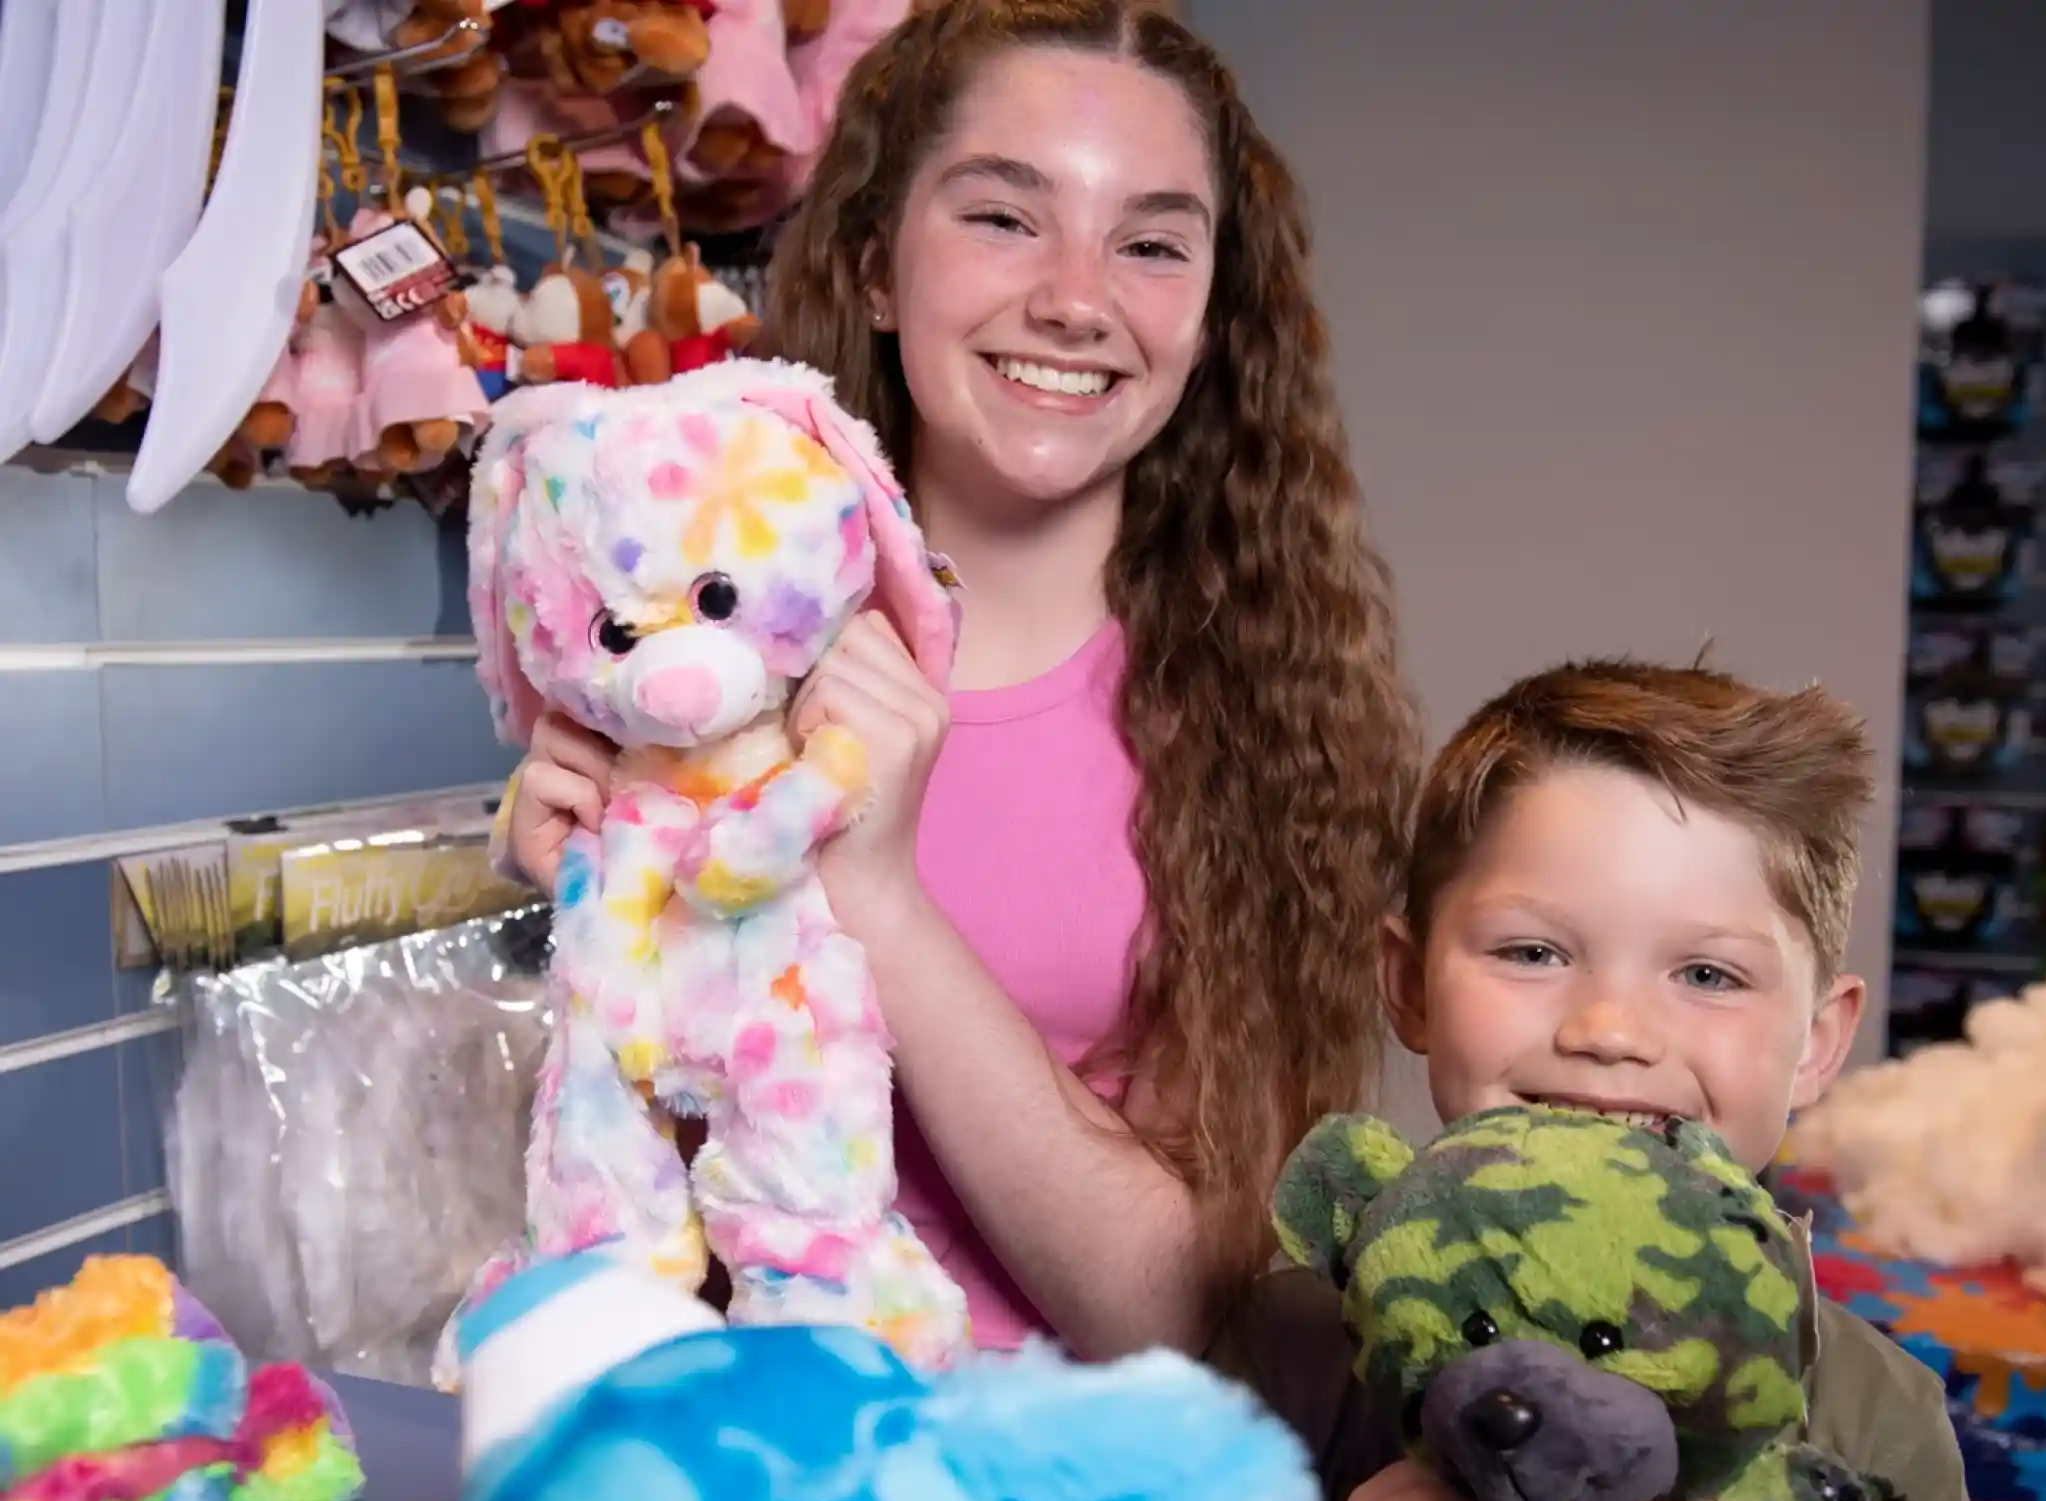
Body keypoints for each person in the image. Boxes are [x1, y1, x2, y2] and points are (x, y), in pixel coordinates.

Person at [490, 0, 1419, 1359]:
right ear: (876, 267)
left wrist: (878, 896)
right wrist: (588, 894)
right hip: (728, 1464)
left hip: (1057, 1497)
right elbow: (630, 1182)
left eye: (1151, 244)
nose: (1077, 297)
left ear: (1210, 321)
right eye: (1003, 217)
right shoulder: (688, 654)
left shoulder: (1269, 718)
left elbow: (1186, 1322)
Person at [1206, 658, 1977, 1501]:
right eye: (1533, 952)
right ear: (1408, 986)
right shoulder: (1280, 1353)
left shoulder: (1883, 1414)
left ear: (1818, 1042)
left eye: (1707, 976)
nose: (1610, 1032)